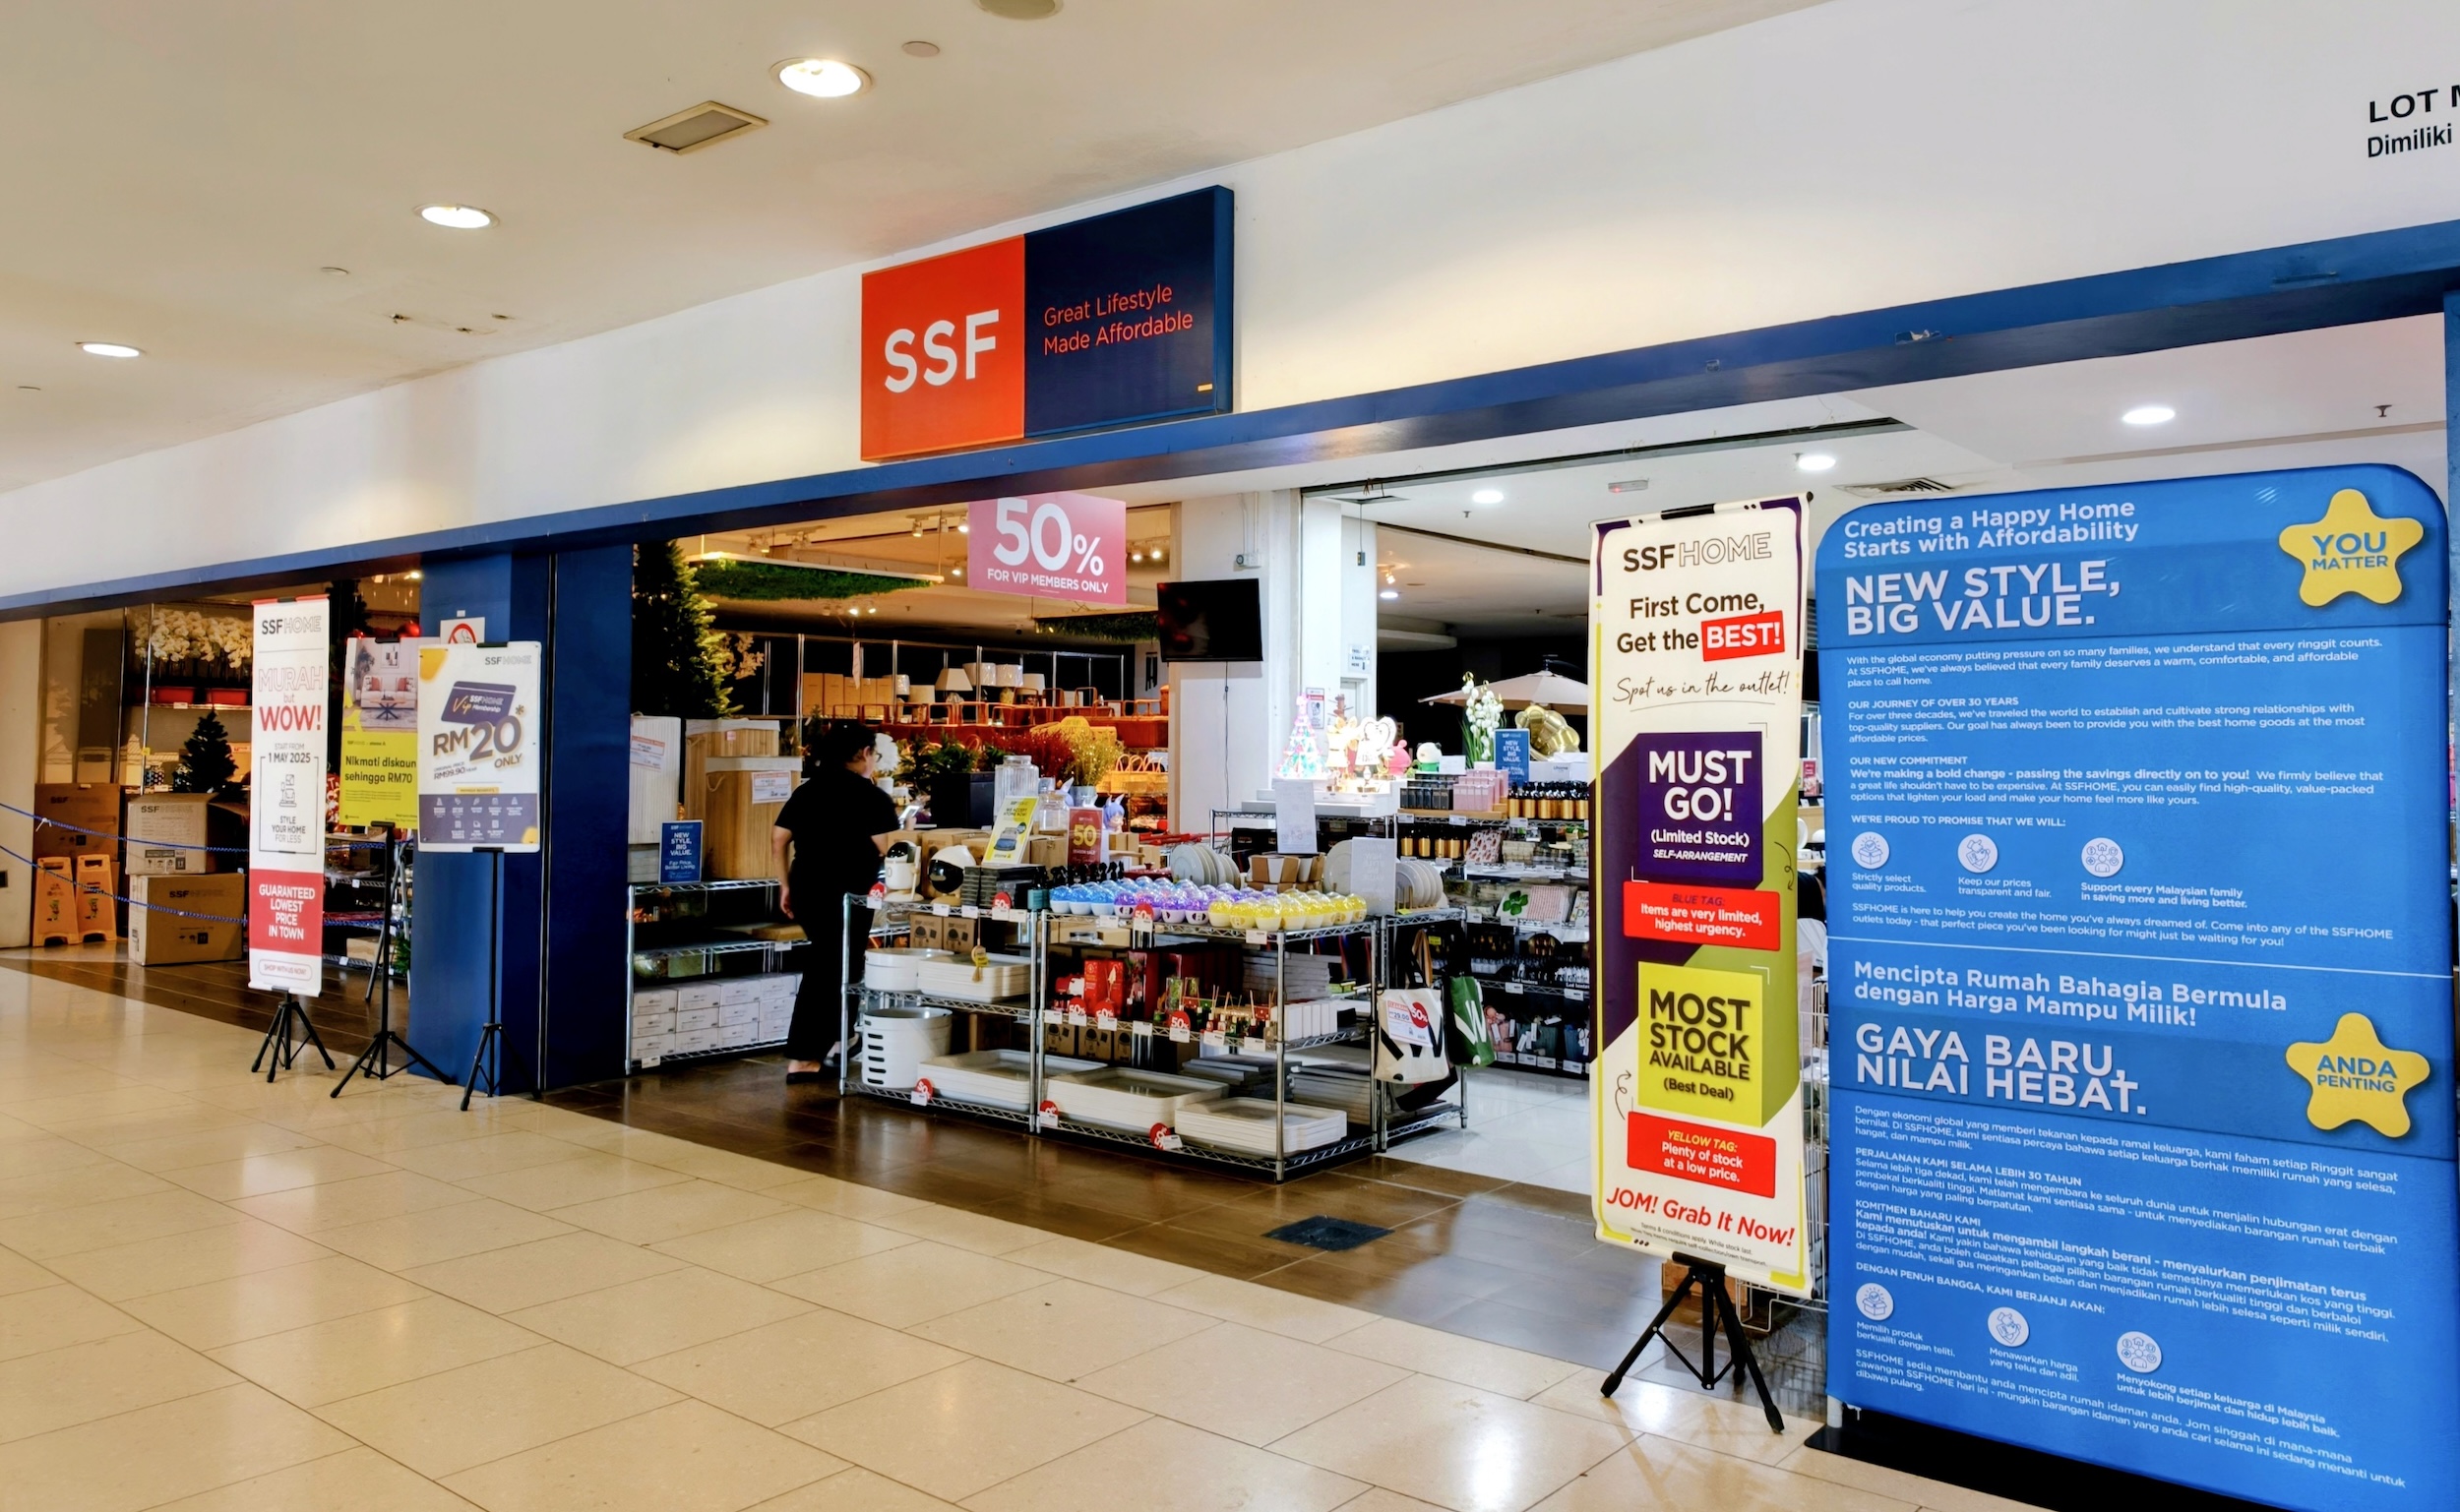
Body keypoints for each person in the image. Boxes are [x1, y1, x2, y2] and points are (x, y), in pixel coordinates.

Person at [771, 720, 900, 1084]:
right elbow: (889, 848)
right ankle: (804, 1057)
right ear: (864, 753)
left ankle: (840, 1041)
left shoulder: (808, 791)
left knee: (839, 963)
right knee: (831, 967)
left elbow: (778, 838)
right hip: (848, 895)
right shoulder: (871, 797)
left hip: (806, 888)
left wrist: (784, 886)